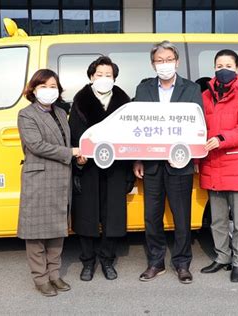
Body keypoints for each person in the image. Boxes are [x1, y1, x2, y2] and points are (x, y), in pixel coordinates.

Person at [133, 40, 202, 284]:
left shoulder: (191, 89)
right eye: (159, 61)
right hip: (151, 163)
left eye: (168, 60)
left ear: (177, 62)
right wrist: (138, 159)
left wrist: (192, 157)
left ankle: (182, 263)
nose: (164, 64)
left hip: (180, 163)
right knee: (152, 216)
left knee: (181, 215)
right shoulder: (143, 90)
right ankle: (155, 262)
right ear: (153, 64)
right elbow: (136, 126)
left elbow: (198, 125)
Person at [69, 56, 134, 281]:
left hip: (116, 168)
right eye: (99, 75)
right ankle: (88, 262)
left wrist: (129, 168)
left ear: (114, 78)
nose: (104, 79)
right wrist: (78, 159)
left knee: (112, 215)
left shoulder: (124, 102)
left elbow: (130, 136)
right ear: (91, 77)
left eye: (108, 75)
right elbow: (74, 135)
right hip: (88, 168)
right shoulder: (80, 100)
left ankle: (107, 260)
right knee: (87, 214)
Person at [17, 69, 80, 296]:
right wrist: (71, 152)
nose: (49, 91)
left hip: (61, 176)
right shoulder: (27, 114)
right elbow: (36, 145)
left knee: (57, 230)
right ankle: (40, 278)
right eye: (43, 86)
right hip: (39, 177)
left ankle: (54, 274)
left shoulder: (62, 113)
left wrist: (77, 154)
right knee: (35, 232)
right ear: (33, 90)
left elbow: (67, 140)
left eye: (53, 86)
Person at [198, 49, 238, 282]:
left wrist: (221, 139)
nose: (224, 70)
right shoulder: (205, 96)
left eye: (229, 66)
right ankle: (222, 257)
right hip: (212, 163)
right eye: (219, 66)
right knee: (218, 219)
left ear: (237, 68)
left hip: (236, 162)